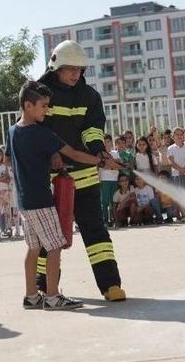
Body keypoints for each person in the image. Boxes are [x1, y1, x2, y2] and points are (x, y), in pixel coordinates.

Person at [9, 80, 122, 310]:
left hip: (24, 201)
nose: (47, 111)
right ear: (28, 105)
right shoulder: (41, 133)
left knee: (33, 248)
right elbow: (73, 153)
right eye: (44, 106)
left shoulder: (13, 131)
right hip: (41, 200)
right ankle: (52, 297)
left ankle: (31, 296)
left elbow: (14, 161)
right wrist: (101, 161)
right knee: (55, 246)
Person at [37, 40, 126, 301]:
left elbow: (92, 128)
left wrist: (98, 148)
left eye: (79, 69)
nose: (75, 74)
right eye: (69, 69)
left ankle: (110, 285)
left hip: (85, 176)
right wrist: (50, 153)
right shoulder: (41, 95)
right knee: (49, 235)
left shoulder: (90, 97)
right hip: (51, 179)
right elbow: (36, 128)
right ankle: (44, 286)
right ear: (56, 67)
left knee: (95, 230)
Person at [98, 134, 120, 225]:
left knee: (113, 200)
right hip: (104, 179)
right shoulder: (100, 154)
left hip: (114, 180)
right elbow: (101, 165)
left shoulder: (115, 153)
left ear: (111, 142)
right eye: (104, 142)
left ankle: (113, 219)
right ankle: (105, 219)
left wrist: (109, 165)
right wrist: (111, 165)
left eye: (108, 141)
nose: (106, 143)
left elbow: (117, 164)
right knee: (105, 201)